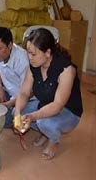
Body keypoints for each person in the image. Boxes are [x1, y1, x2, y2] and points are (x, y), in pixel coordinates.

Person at [14, 28, 83, 160]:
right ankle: (45, 133)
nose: (29, 57)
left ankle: (53, 140)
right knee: (18, 113)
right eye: (28, 53)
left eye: (33, 54)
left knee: (43, 122)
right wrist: (17, 112)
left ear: (47, 52)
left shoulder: (66, 69)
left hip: (68, 111)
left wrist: (32, 116)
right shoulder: (33, 66)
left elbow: (57, 105)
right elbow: (24, 92)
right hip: (46, 105)